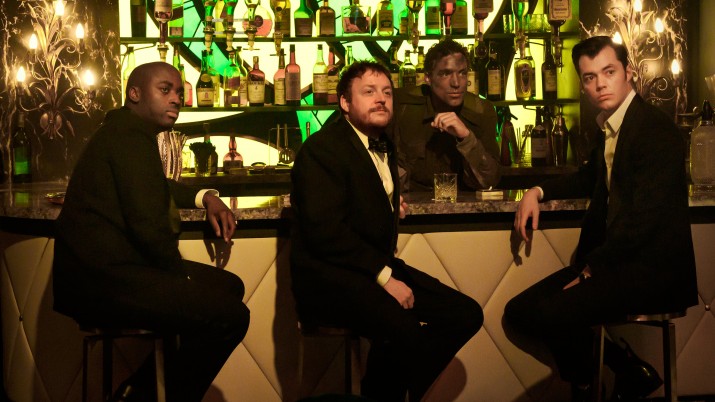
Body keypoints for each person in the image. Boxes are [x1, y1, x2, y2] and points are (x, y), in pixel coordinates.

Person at [504, 36, 698, 401]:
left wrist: (591, 270)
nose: (600, 84)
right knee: (520, 311)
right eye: (590, 77)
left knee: (553, 313)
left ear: (628, 73)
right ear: (582, 84)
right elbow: (587, 178)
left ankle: (586, 386)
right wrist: (536, 191)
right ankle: (626, 370)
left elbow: (645, 219)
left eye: (609, 72)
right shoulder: (610, 126)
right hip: (615, 265)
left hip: (651, 272)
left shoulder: (654, 130)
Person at [53, 62, 250, 402]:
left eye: (179, 92)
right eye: (165, 90)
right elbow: (149, 225)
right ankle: (143, 397)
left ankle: (137, 391)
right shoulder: (128, 137)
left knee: (229, 287)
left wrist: (206, 197)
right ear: (135, 93)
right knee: (231, 316)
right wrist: (177, 277)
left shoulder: (126, 131)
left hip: (102, 275)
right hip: (102, 282)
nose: (176, 99)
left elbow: (155, 187)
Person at [290, 61, 483, 402]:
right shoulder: (322, 149)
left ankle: (382, 393)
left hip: (371, 266)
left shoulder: (383, 143)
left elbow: (360, 199)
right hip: (330, 279)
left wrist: (388, 206)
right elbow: (325, 233)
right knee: (403, 328)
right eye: (369, 92)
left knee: (465, 314)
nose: (381, 99)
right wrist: (384, 277)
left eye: (387, 93)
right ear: (345, 102)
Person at [389, 39, 501, 192]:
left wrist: (466, 138)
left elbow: (490, 181)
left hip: (464, 204)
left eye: (462, 73)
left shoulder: (481, 111)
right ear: (428, 78)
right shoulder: (402, 105)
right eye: (445, 74)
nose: (456, 83)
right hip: (410, 202)